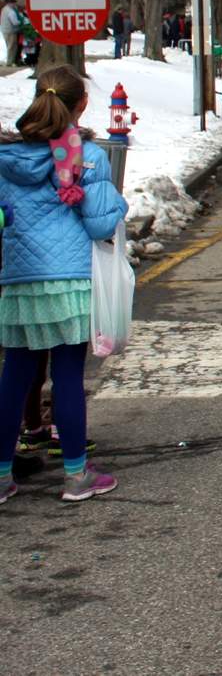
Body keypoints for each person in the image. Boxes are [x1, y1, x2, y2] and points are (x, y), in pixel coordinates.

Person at [0, 67, 129, 504]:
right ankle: (76, 476)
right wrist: (116, 201)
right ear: (82, 105)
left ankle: (1, 477)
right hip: (70, 278)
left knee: (15, 376)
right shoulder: (85, 155)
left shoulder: (6, 157)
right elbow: (98, 224)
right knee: (68, 376)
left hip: (20, 279)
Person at [3, 0, 24, 66]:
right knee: (12, 47)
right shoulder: (10, 11)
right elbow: (15, 22)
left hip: (5, 30)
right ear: (11, 3)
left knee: (9, 46)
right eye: (14, 3)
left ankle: (10, 61)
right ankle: (10, 62)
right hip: (11, 31)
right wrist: (21, 21)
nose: (15, 5)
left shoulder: (4, 9)